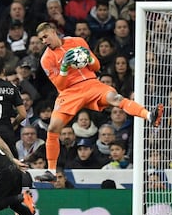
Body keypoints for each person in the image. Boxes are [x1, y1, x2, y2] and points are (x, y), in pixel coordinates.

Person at [35, 22, 163, 180]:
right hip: (69, 92)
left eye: (45, 36)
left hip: (91, 84)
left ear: (54, 32)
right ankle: (52, 171)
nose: (43, 41)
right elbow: (59, 84)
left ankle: (150, 116)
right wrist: (65, 67)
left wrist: (87, 57)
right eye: (41, 39)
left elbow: (96, 66)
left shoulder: (77, 42)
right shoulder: (46, 59)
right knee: (53, 128)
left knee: (115, 98)